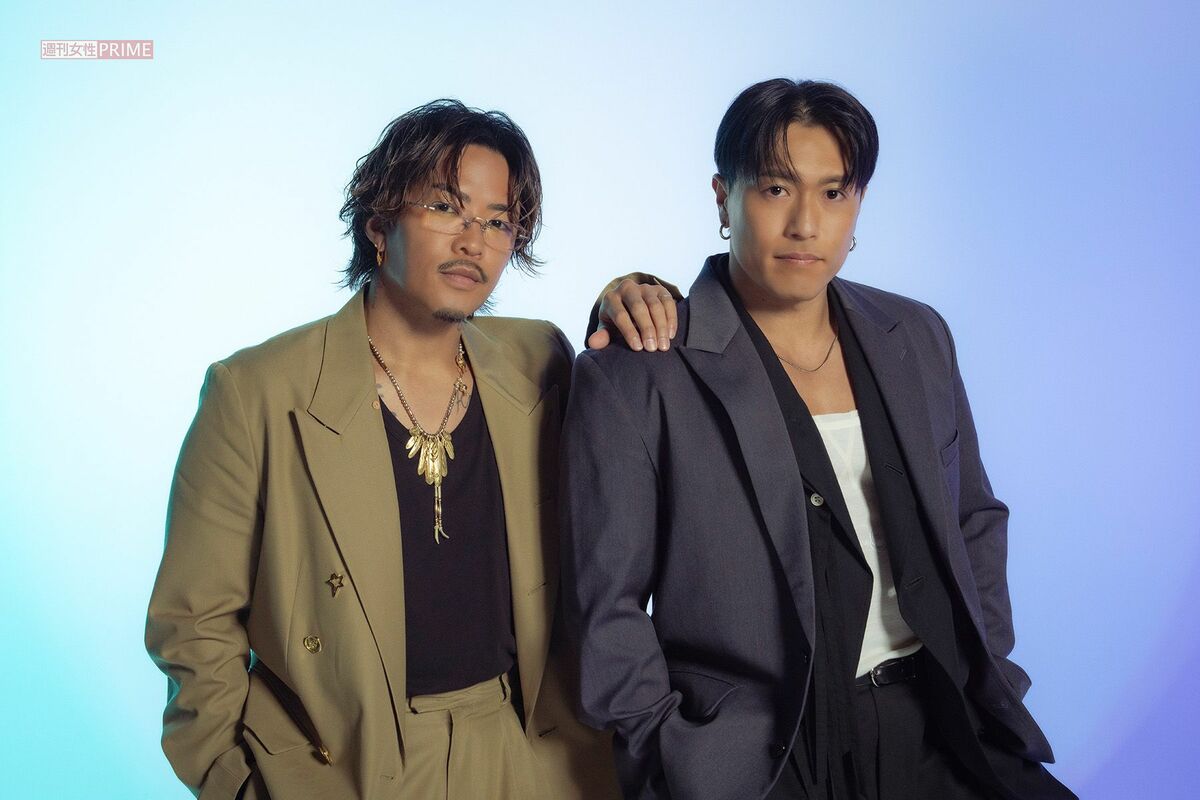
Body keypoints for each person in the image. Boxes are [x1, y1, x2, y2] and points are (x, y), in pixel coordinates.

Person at [145, 99, 677, 800]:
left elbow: (634, 421)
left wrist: (638, 294)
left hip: (535, 752)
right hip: (346, 763)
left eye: (498, 221)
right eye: (445, 207)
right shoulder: (256, 391)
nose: (474, 241)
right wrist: (236, 784)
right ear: (378, 222)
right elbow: (193, 623)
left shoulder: (539, 358)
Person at [561, 79, 1076, 800]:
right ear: (723, 198)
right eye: (776, 189)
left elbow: (974, 519)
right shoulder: (640, 370)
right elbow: (603, 606)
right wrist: (672, 752)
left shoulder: (916, 335)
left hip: (945, 721)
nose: (806, 223)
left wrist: (991, 670)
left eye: (833, 193)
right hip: (765, 753)